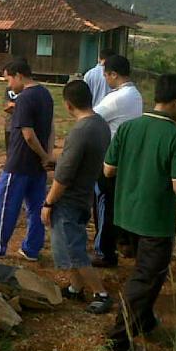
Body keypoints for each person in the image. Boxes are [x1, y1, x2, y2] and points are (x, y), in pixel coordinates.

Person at [104, 74, 176, 351]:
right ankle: (118, 340)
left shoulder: (129, 128)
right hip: (155, 222)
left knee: (146, 273)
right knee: (146, 278)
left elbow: (108, 169)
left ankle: (144, 321)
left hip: (124, 216)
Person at [41, 80, 113, 314]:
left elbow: (64, 176)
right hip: (86, 193)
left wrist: (49, 202)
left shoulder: (80, 131)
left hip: (70, 199)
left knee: (74, 249)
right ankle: (75, 287)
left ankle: (101, 293)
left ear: (68, 105)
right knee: (69, 243)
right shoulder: (100, 124)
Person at [0, 60, 54, 261]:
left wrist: (42, 155)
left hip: (20, 162)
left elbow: (28, 135)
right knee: (35, 207)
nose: (8, 85)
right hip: (37, 166)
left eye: (8, 79)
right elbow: (50, 128)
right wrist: (47, 156)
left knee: (4, 203)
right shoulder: (46, 94)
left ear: (18, 75)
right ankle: (32, 249)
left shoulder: (25, 98)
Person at [91, 54, 143, 267]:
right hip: (126, 159)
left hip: (109, 160)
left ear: (113, 74)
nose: (105, 79)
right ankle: (125, 243)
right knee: (118, 205)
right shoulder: (136, 95)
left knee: (103, 205)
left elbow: (91, 119)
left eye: (106, 75)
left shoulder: (116, 98)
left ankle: (104, 252)